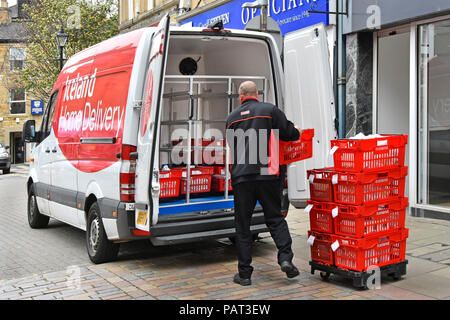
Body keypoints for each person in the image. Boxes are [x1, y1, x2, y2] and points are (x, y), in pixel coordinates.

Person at [226, 81, 302, 286]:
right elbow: (289, 134)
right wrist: (298, 131)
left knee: (243, 226)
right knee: (275, 218)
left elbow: (233, 145)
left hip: (242, 177)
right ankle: (285, 258)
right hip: (267, 173)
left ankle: (244, 275)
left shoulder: (231, 118)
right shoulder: (269, 110)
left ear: (240, 96)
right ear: (256, 94)